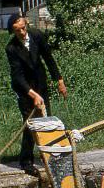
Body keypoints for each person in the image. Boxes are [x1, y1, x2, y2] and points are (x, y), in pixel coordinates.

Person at [6, 13, 68, 173]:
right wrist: (32, 94)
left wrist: (59, 80)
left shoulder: (37, 36)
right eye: (17, 30)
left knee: (46, 121)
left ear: (25, 24)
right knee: (31, 124)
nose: (22, 32)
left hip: (40, 84)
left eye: (23, 28)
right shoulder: (12, 48)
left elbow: (48, 58)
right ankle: (26, 161)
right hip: (25, 88)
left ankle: (50, 156)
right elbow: (17, 75)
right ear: (13, 32)